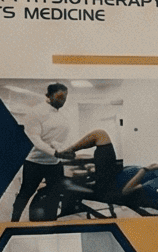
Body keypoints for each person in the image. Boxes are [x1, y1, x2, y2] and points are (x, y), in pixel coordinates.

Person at [11, 84, 102, 220]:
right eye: (59, 97)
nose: (63, 101)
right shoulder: (35, 112)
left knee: (56, 193)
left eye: (65, 97)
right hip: (35, 162)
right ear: (48, 96)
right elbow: (35, 139)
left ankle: (52, 219)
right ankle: (14, 221)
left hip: (54, 164)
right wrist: (55, 153)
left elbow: (59, 140)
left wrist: (68, 151)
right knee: (26, 192)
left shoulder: (61, 116)